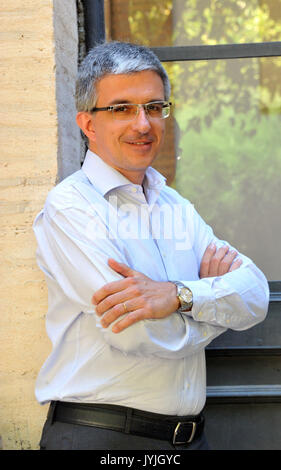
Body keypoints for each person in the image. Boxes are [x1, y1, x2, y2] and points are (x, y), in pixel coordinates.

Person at [33, 41, 269, 450]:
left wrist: (179, 295)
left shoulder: (175, 205)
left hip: (191, 441)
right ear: (88, 124)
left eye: (155, 107)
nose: (143, 124)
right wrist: (211, 308)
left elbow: (256, 295)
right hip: (104, 438)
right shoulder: (71, 208)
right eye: (121, 108)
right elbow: (136, 334)